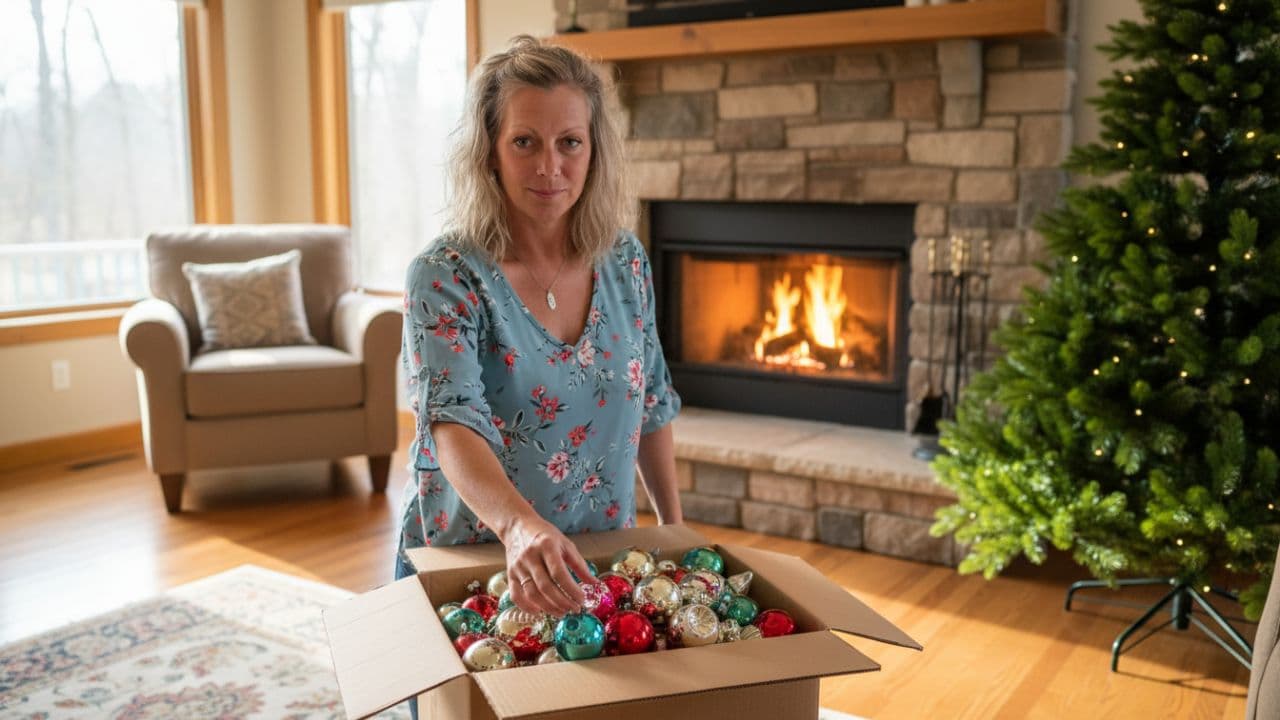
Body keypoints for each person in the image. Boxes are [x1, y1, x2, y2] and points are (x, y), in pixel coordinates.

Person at [394, 34, 683, 624]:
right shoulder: (444, 276)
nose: (549, 166)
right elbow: (452, 424)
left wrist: (674, 532)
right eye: (524, 142)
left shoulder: (625, 260)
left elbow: (651, 402)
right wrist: (519, 526)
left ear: (594, 151)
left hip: (596, 568)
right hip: (471, 569)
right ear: (489, 152)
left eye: (569, 142)